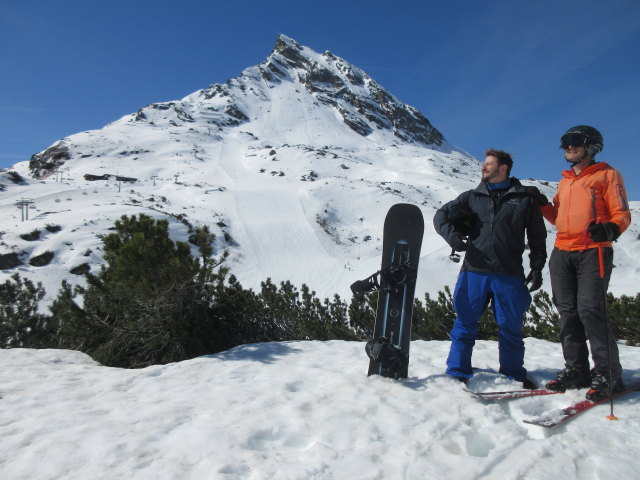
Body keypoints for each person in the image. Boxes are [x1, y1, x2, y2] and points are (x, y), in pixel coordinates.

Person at [434, 149, 547, 388]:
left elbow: (537, 235)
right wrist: (453, 238)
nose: (483, 167)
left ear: (503, 168)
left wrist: (537, 266)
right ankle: (456, 373)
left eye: (488, 164)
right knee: (464, 322)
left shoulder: (524, 199)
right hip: (474, 270)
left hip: (509, 273)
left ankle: (514, 375)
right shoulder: (471, 196)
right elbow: (440, 215)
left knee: (511, 326)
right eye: (484, 164)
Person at [539, 125, 631, 401]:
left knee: (590, 310)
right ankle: (577, 370)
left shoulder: (607, 175)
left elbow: (622, 213)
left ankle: (608, 373)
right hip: (562, 252)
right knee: (567, 313)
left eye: (575, 141)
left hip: (593, 251)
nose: (568, 146)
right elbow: (557, 218)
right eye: (565, 142)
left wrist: (611, 230)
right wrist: (543, 206)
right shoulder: (565, 181)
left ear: (592, 146)